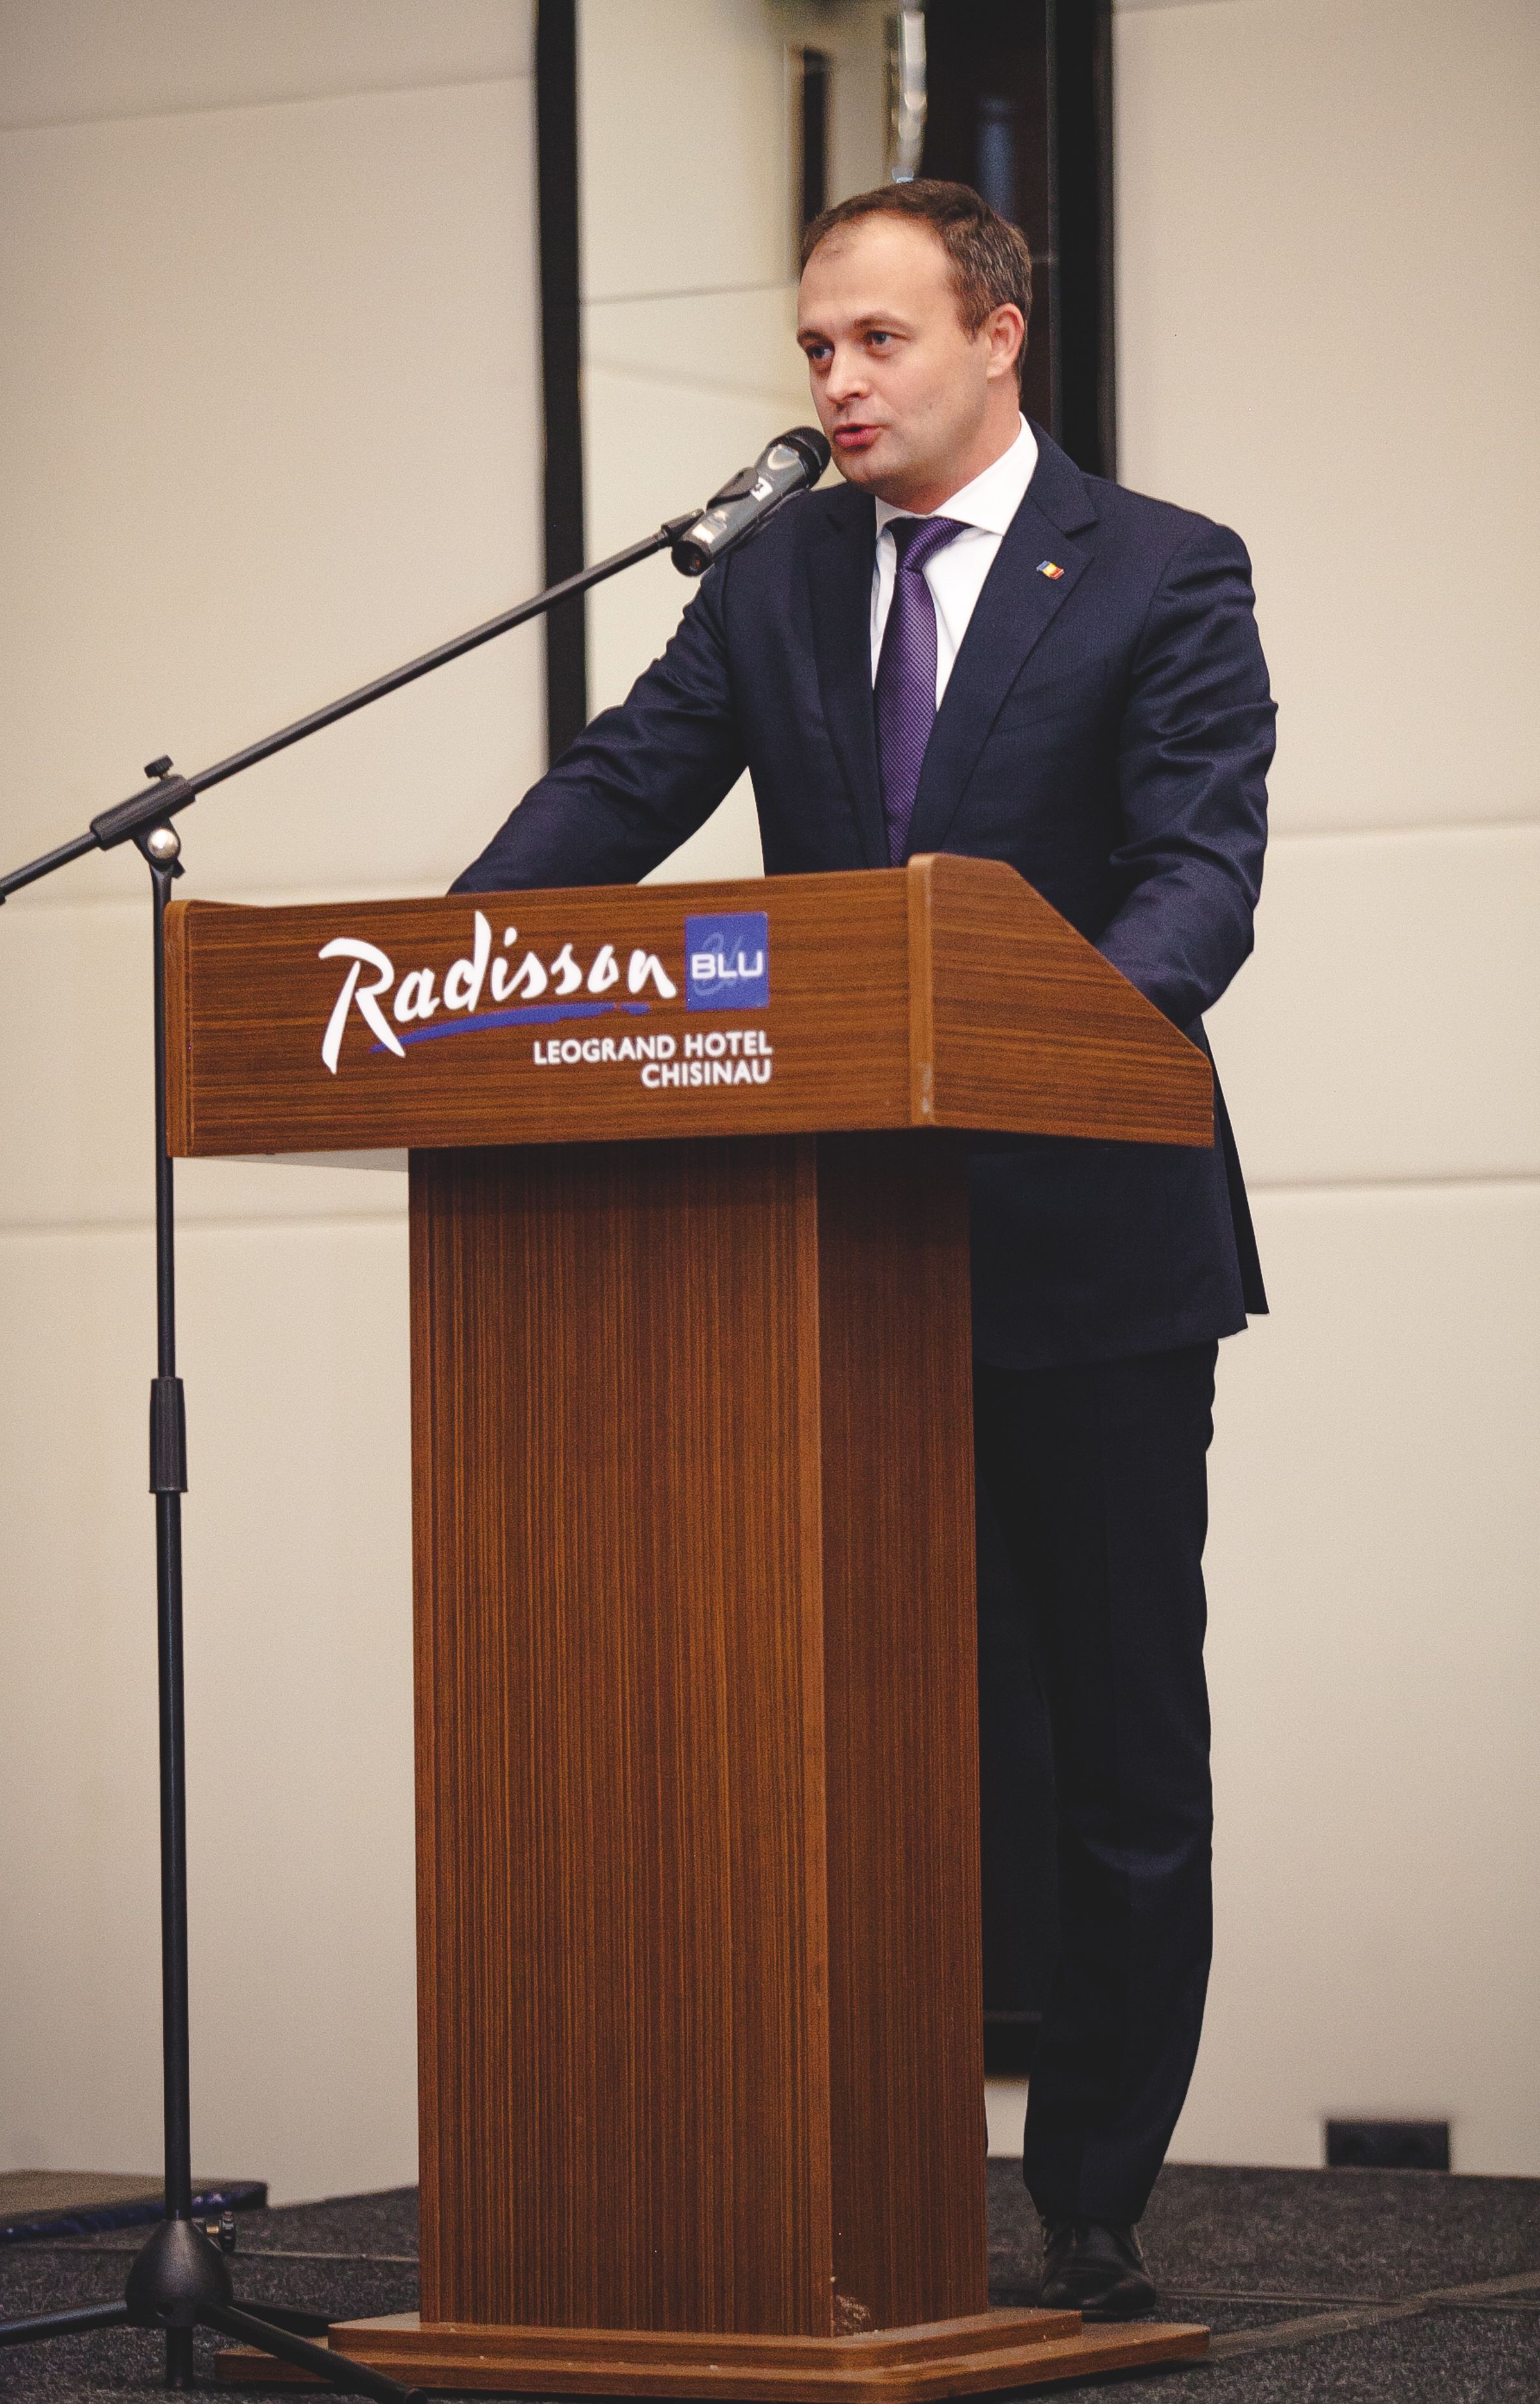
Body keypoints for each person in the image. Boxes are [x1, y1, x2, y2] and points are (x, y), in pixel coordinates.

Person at [451, 179, 1274, 2321]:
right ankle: (825, 2178)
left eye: (877, 341)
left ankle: (1090, 2203)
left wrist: (1043, 1026)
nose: (834, 382)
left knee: (1114, 1743)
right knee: (831, 1737)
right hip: (830, 1258)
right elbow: (619, 792)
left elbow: (1200, 871)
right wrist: (441, 974)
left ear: (999, 335)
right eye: (815, 346)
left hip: (1088, 1244)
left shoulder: (1163, 568)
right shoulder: (779, 577)